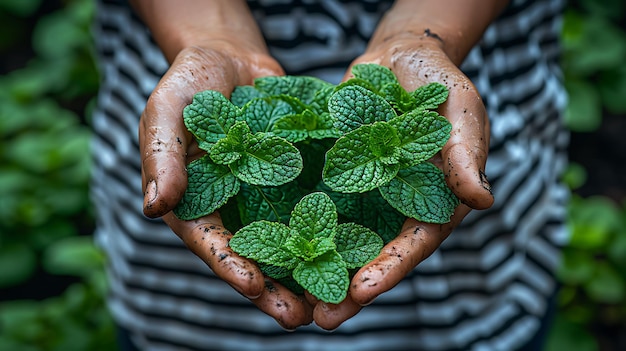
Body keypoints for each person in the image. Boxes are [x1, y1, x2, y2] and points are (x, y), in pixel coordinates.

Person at [91, 0, 569, 349]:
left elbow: (336, 176)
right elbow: (314, 176)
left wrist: (427, 30)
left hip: (467, 74)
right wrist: (206, 33)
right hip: (185, 278)